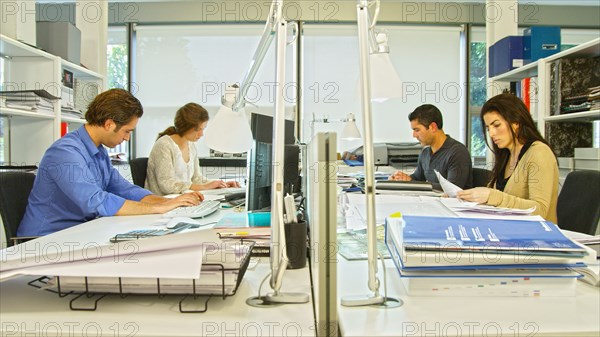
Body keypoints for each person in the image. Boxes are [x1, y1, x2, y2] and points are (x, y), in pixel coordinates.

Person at [18, 89, 204, 237]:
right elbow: (95, 201)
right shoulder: (65, 152)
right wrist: (159, 207)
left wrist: (167, 202)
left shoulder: (98, 152)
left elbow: (125, 189)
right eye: (126, 131)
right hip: (46, 239)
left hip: (78, 232)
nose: (127, 138)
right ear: (109, 124)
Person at [456, 93, 559, 222]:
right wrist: (464, 196)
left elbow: (540, 211)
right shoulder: (506, 155)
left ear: (516, 122)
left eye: (497, 125)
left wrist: (491, 196)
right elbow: (494, 200)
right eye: (488, 128)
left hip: (535, 237)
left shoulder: (539, 152)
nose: (491, 134)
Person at [145, 103, 240, 196]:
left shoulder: (191, 146)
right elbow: (167, 185)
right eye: (197, 129)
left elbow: (196, 179)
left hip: (182, 200)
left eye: (203, 129)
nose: (201, 134)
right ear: (185, 126)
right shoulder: (164, 145)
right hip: (163, 203)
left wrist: (221, 184)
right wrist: (204, 187)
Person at [389, 104, 472, 190]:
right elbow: (417, 179)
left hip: (453, 203)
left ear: (433, 127)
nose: (414, 135)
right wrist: (405, 179)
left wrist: (419, 184)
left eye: (417, 130)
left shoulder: (458, 152)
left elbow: (452, 189)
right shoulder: (425, 153)